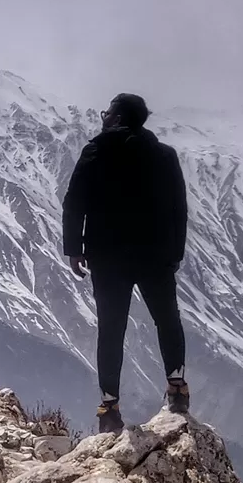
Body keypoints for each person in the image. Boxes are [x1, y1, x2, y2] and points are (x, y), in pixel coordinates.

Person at [63, 93, 188, 433]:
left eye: (106, 113)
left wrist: (75, 248)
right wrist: (175, 253)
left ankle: (109, 409)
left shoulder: (96, 152)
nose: (103, 117)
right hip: (156, 255)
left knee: (111, 329)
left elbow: (75, 202)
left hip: (107, 257)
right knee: (167, 318)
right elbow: (179, 209)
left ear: (116, 118)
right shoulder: (165, 156)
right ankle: (177, 388)